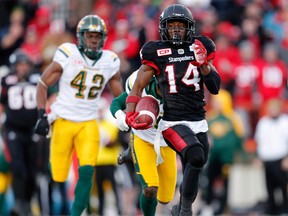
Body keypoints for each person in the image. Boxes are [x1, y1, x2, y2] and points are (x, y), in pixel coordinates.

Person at [124, 4, 221, 216]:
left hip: (198, 120)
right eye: (172, 26)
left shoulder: (200, 46)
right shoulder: (155, 51)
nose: (176, 30)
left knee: (196, 165)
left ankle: (179, 207)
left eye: (181, 26)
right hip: (172, 122)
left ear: (189, 28)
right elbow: (138, 86)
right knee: (195, 155)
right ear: (163, 28)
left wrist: (204, 66)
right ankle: (186, 210)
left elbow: (215, 88)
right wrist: (130, 113)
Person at [34, 15, 124, 216]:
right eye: (90, 36)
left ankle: (75, 214)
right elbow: (42, 83)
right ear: (80, 37)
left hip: (89, 122)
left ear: (103, 38)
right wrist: (41, 114)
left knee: (87, 170)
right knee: (57, 174)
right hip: (64, 119)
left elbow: (121, 94)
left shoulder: (110, 60)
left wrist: (133, 110)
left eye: (97, 36)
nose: (93, 40)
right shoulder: (68, 53)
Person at [110, 70, 177, 216]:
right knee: (150, 188)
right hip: (143, 138)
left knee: (166, 198)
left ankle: (130, 152)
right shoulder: (142, 87)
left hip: (166, 141)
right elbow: (116, 103)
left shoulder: (179, 92)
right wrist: (120, 116)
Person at [0, 49, 42, 215]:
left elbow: (48, 97)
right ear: (13, 66)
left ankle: (26, 202)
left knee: (32, 171)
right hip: (13, 130)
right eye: (20, 65)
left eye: (25, 64)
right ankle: (19, 204)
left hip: (33, 130)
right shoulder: (6, 81)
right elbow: (1, 103)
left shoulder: (37, 78)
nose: (23, 68)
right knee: (18, 167)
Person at [254, 98, 288, 215]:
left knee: (283, 187)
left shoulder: (285, 121)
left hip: (281, 159)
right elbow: (259, 141)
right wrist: (258, 157)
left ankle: (285, 209)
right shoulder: (263, 122)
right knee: (269, 187)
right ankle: (271, 209)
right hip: (267, 159)